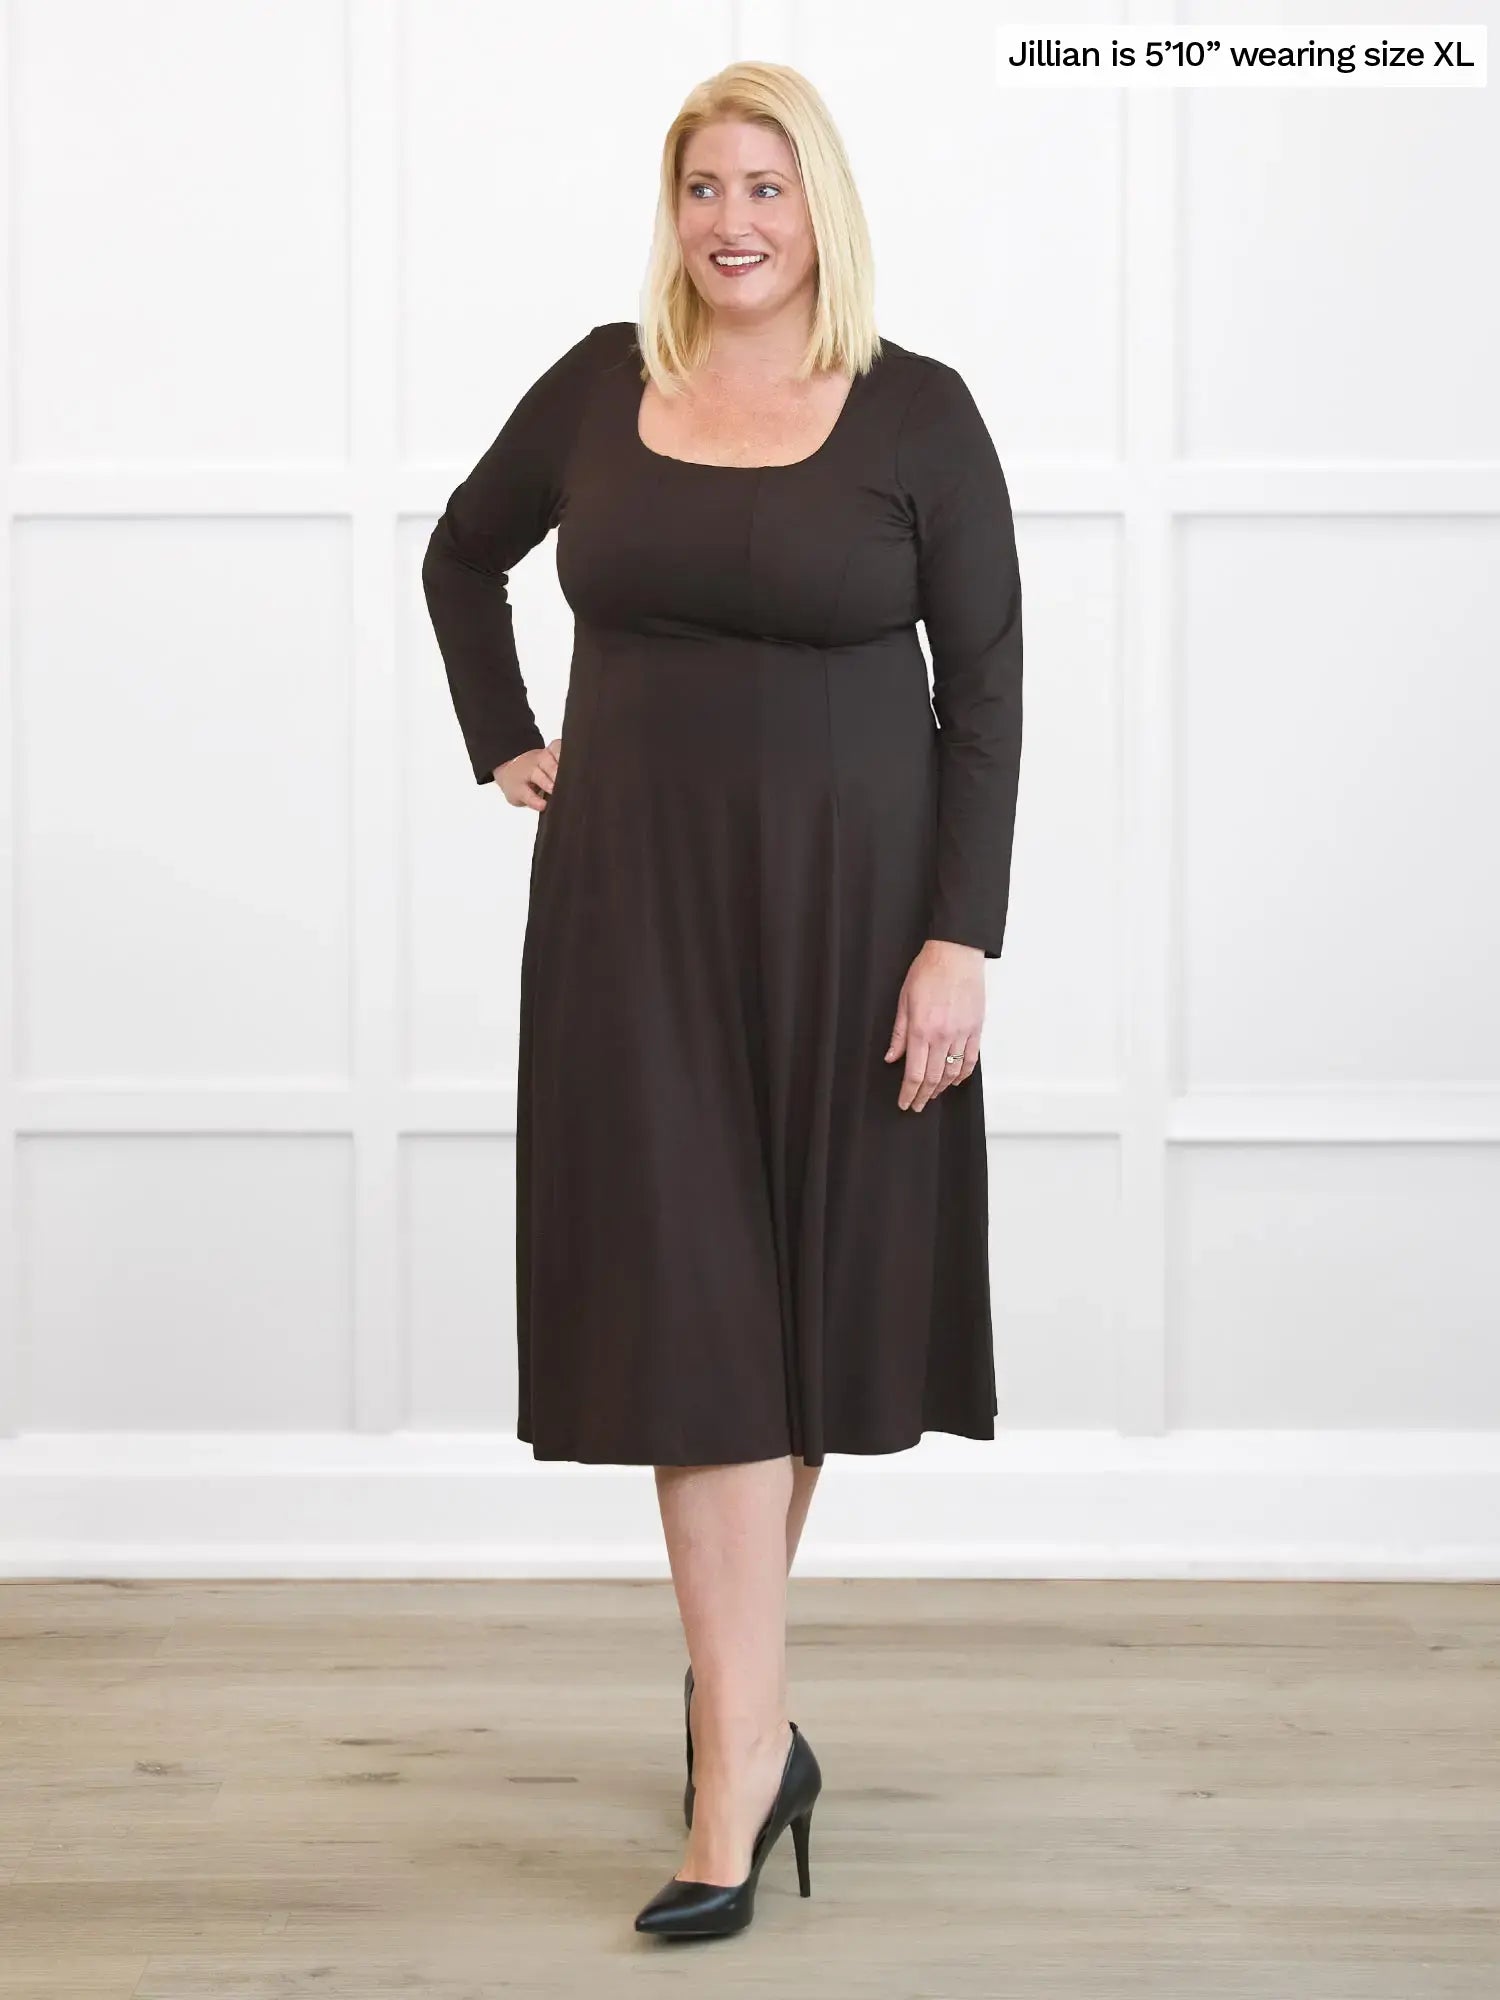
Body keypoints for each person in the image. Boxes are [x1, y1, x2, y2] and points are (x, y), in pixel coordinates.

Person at [421, 60, 1023, 1942]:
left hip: (861, 930)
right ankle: (734, 1782)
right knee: (697, 1317)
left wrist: (960, 939)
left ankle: (736, 1716)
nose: (733, 220)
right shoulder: (604, 382)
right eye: (704, 187)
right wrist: (504, 739)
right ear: (673, 211)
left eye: (765, 184)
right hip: (637, 921)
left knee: (817, 1316)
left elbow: (988, 694)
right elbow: (461, 550)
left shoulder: (920, 413)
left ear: (818, 204)